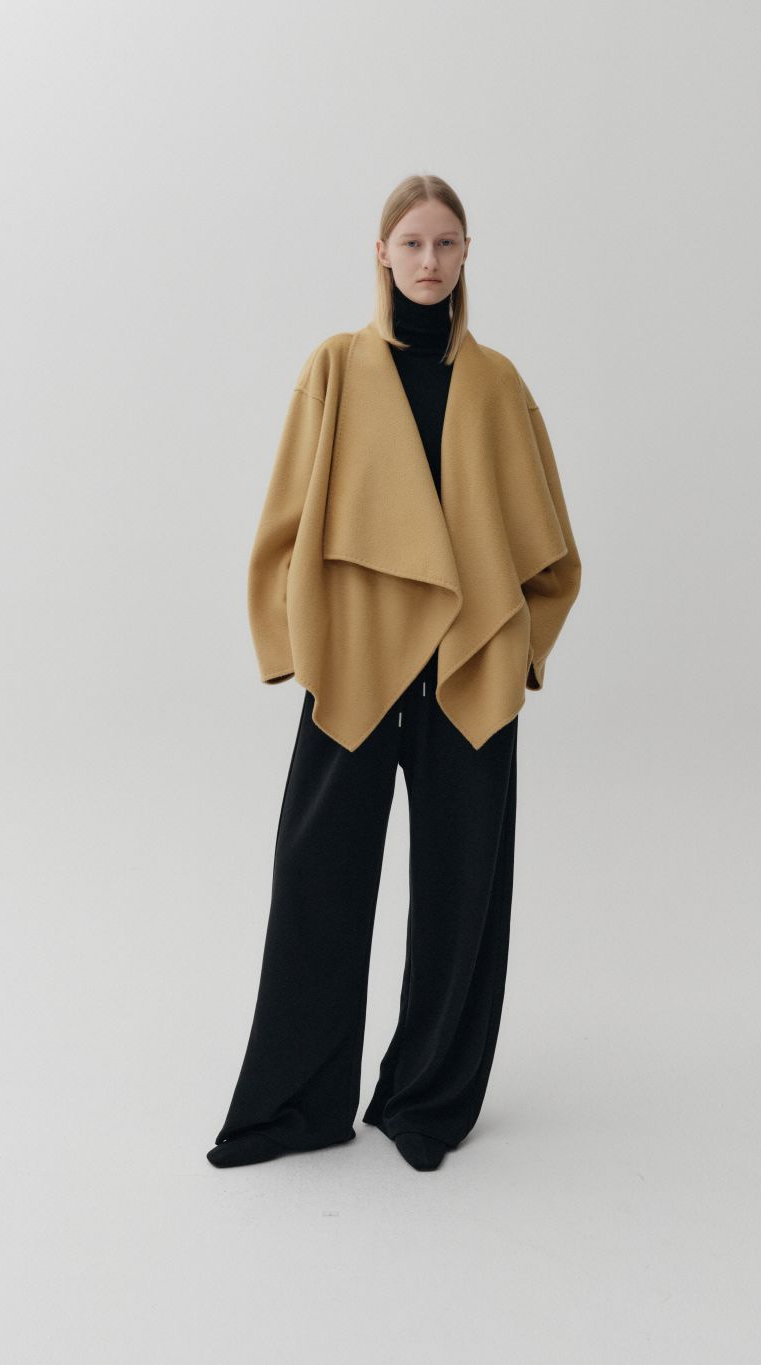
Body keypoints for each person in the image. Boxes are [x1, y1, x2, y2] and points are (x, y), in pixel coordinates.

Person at [207, 174, 582, 1172]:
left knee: (462, 899)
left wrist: (518, 652)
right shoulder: (335, 367)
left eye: (446, 243)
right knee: (316, 882)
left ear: (466, 255)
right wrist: (293, 650)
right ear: (381, 253)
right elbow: (283, 523)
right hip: (358, 663)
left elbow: (549, 548)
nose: (428, 260)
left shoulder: (497, 383)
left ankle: (426, 1103)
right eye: (411, 242)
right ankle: (296, 1107)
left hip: (468, 669)